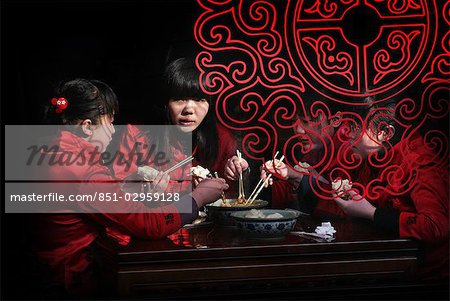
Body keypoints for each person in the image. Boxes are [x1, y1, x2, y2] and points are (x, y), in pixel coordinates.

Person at [33, 78, 228, 296]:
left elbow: (89, 199)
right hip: (71, 278)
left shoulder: (50, 149)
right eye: (110, 122)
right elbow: (150, 224)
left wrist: (128, 188)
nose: (113, 132)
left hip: (46, 266)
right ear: (87, 127)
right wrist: (198, 197)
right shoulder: (82, 166)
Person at [265, 96, 449, 280]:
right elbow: (350, 207)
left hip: (423, 276)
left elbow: (437, 226)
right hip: (384, 263)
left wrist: (372, 213)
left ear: (385, 132)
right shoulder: (374, 156)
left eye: (355, 128)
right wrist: (298, 179)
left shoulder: (419, 163)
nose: (348, 135)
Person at [112, 57, 244, 197]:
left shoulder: (221, 138)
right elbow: (117, 190)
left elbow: (232, 197)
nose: (189, 109)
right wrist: (142, 191)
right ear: (166, 103)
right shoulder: (137, 134)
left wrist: (236, 172)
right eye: (179, 99)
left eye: (199, 99)